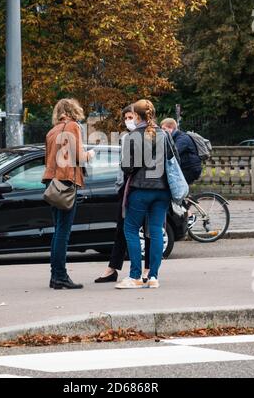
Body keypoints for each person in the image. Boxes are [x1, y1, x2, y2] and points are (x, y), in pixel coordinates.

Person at [116, 99, 175, 289]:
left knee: (131, 229)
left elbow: (126, 167)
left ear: (138, 116)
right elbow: (173, 160)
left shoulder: (133, 136)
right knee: (156, 230)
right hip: (163, 190)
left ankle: (135, 276)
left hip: (140, 190)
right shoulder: (164, 134)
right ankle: (153, 276)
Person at [42, 98, 95, 290]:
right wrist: (89, 155)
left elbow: (47, 158)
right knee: (63, 232)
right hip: (65, 182)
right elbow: (78, 156)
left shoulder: (52, 131)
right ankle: (60, 276)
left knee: (58, 230)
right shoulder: (73, 126)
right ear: (73, 110)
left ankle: (55, 276)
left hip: (52, 182)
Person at [94, 105, 151, 283]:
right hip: (127, 187)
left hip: (145, 187)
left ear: (139, 117)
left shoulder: (150, 135)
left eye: (131, 116)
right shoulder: (126, 137)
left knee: (149, 230)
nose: (128, 120)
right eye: (126, 117)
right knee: (122, 229)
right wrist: (120, 185)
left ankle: (147, 270)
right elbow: (122, 165)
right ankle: (113, 268)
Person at [160, 118, 202, 184]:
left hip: (190, 169)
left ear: (171, 128)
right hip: (184, 168)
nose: (162, 131)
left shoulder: (182, 138)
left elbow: (172, 152)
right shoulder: (173, 138)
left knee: (173, 186)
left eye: (164, 129)